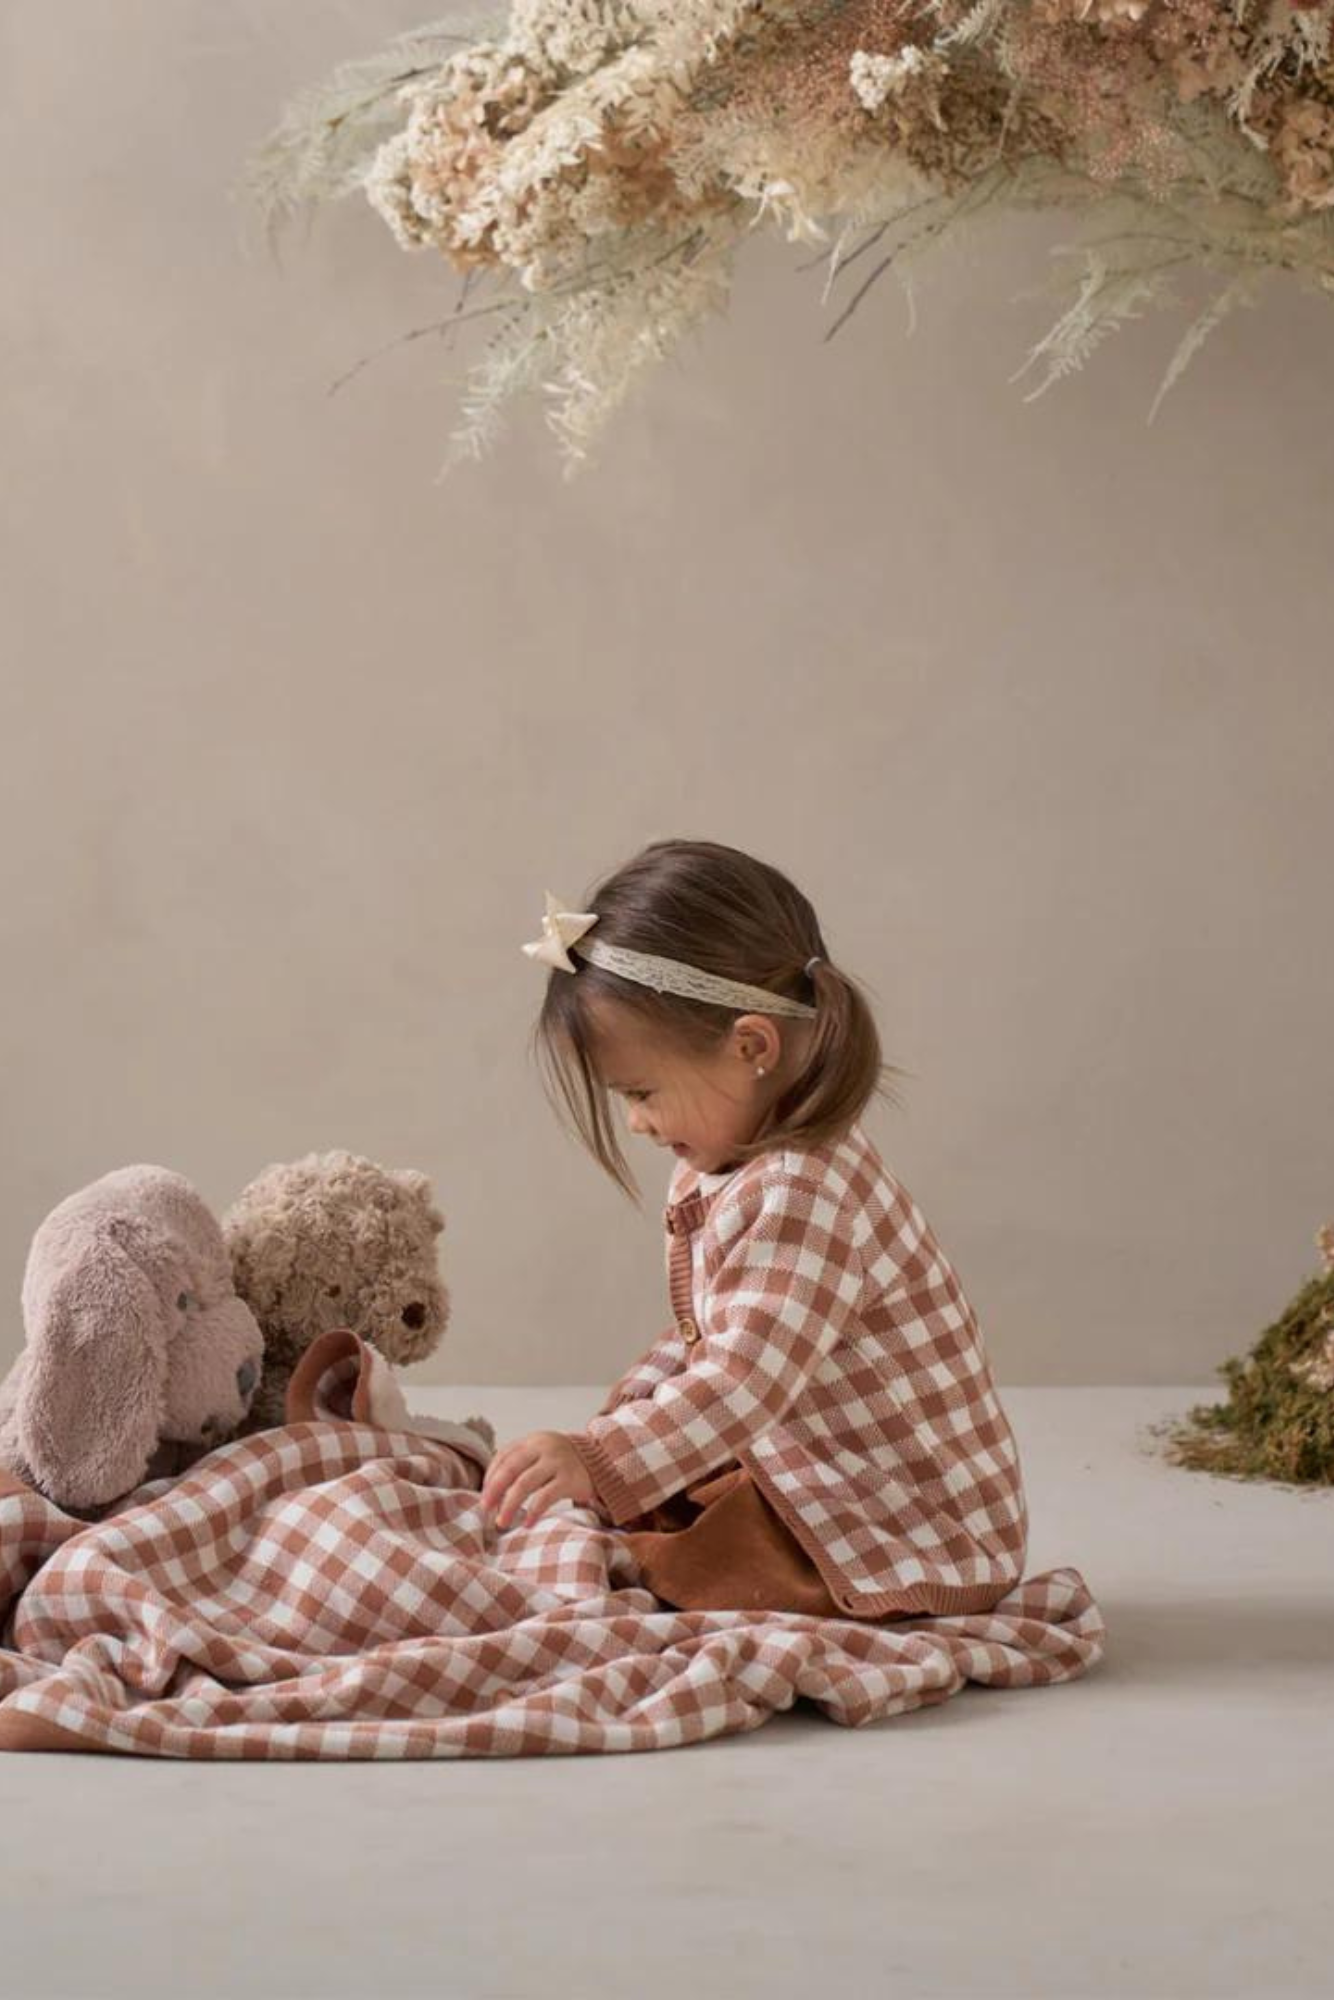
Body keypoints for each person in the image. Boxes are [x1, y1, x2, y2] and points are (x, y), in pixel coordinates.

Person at [479, 837, 1029, 1621]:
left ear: (751, 1047)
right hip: (819, 1464)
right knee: (653, 1495)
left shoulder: (802, 1193)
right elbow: (712, 1334)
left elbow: (741, 1383)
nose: (635, 1123)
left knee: (668, 1564)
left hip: (907, 1524)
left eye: (641, 1092)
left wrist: (601, 1459)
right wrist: (615, 1427)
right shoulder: (734, 1155)